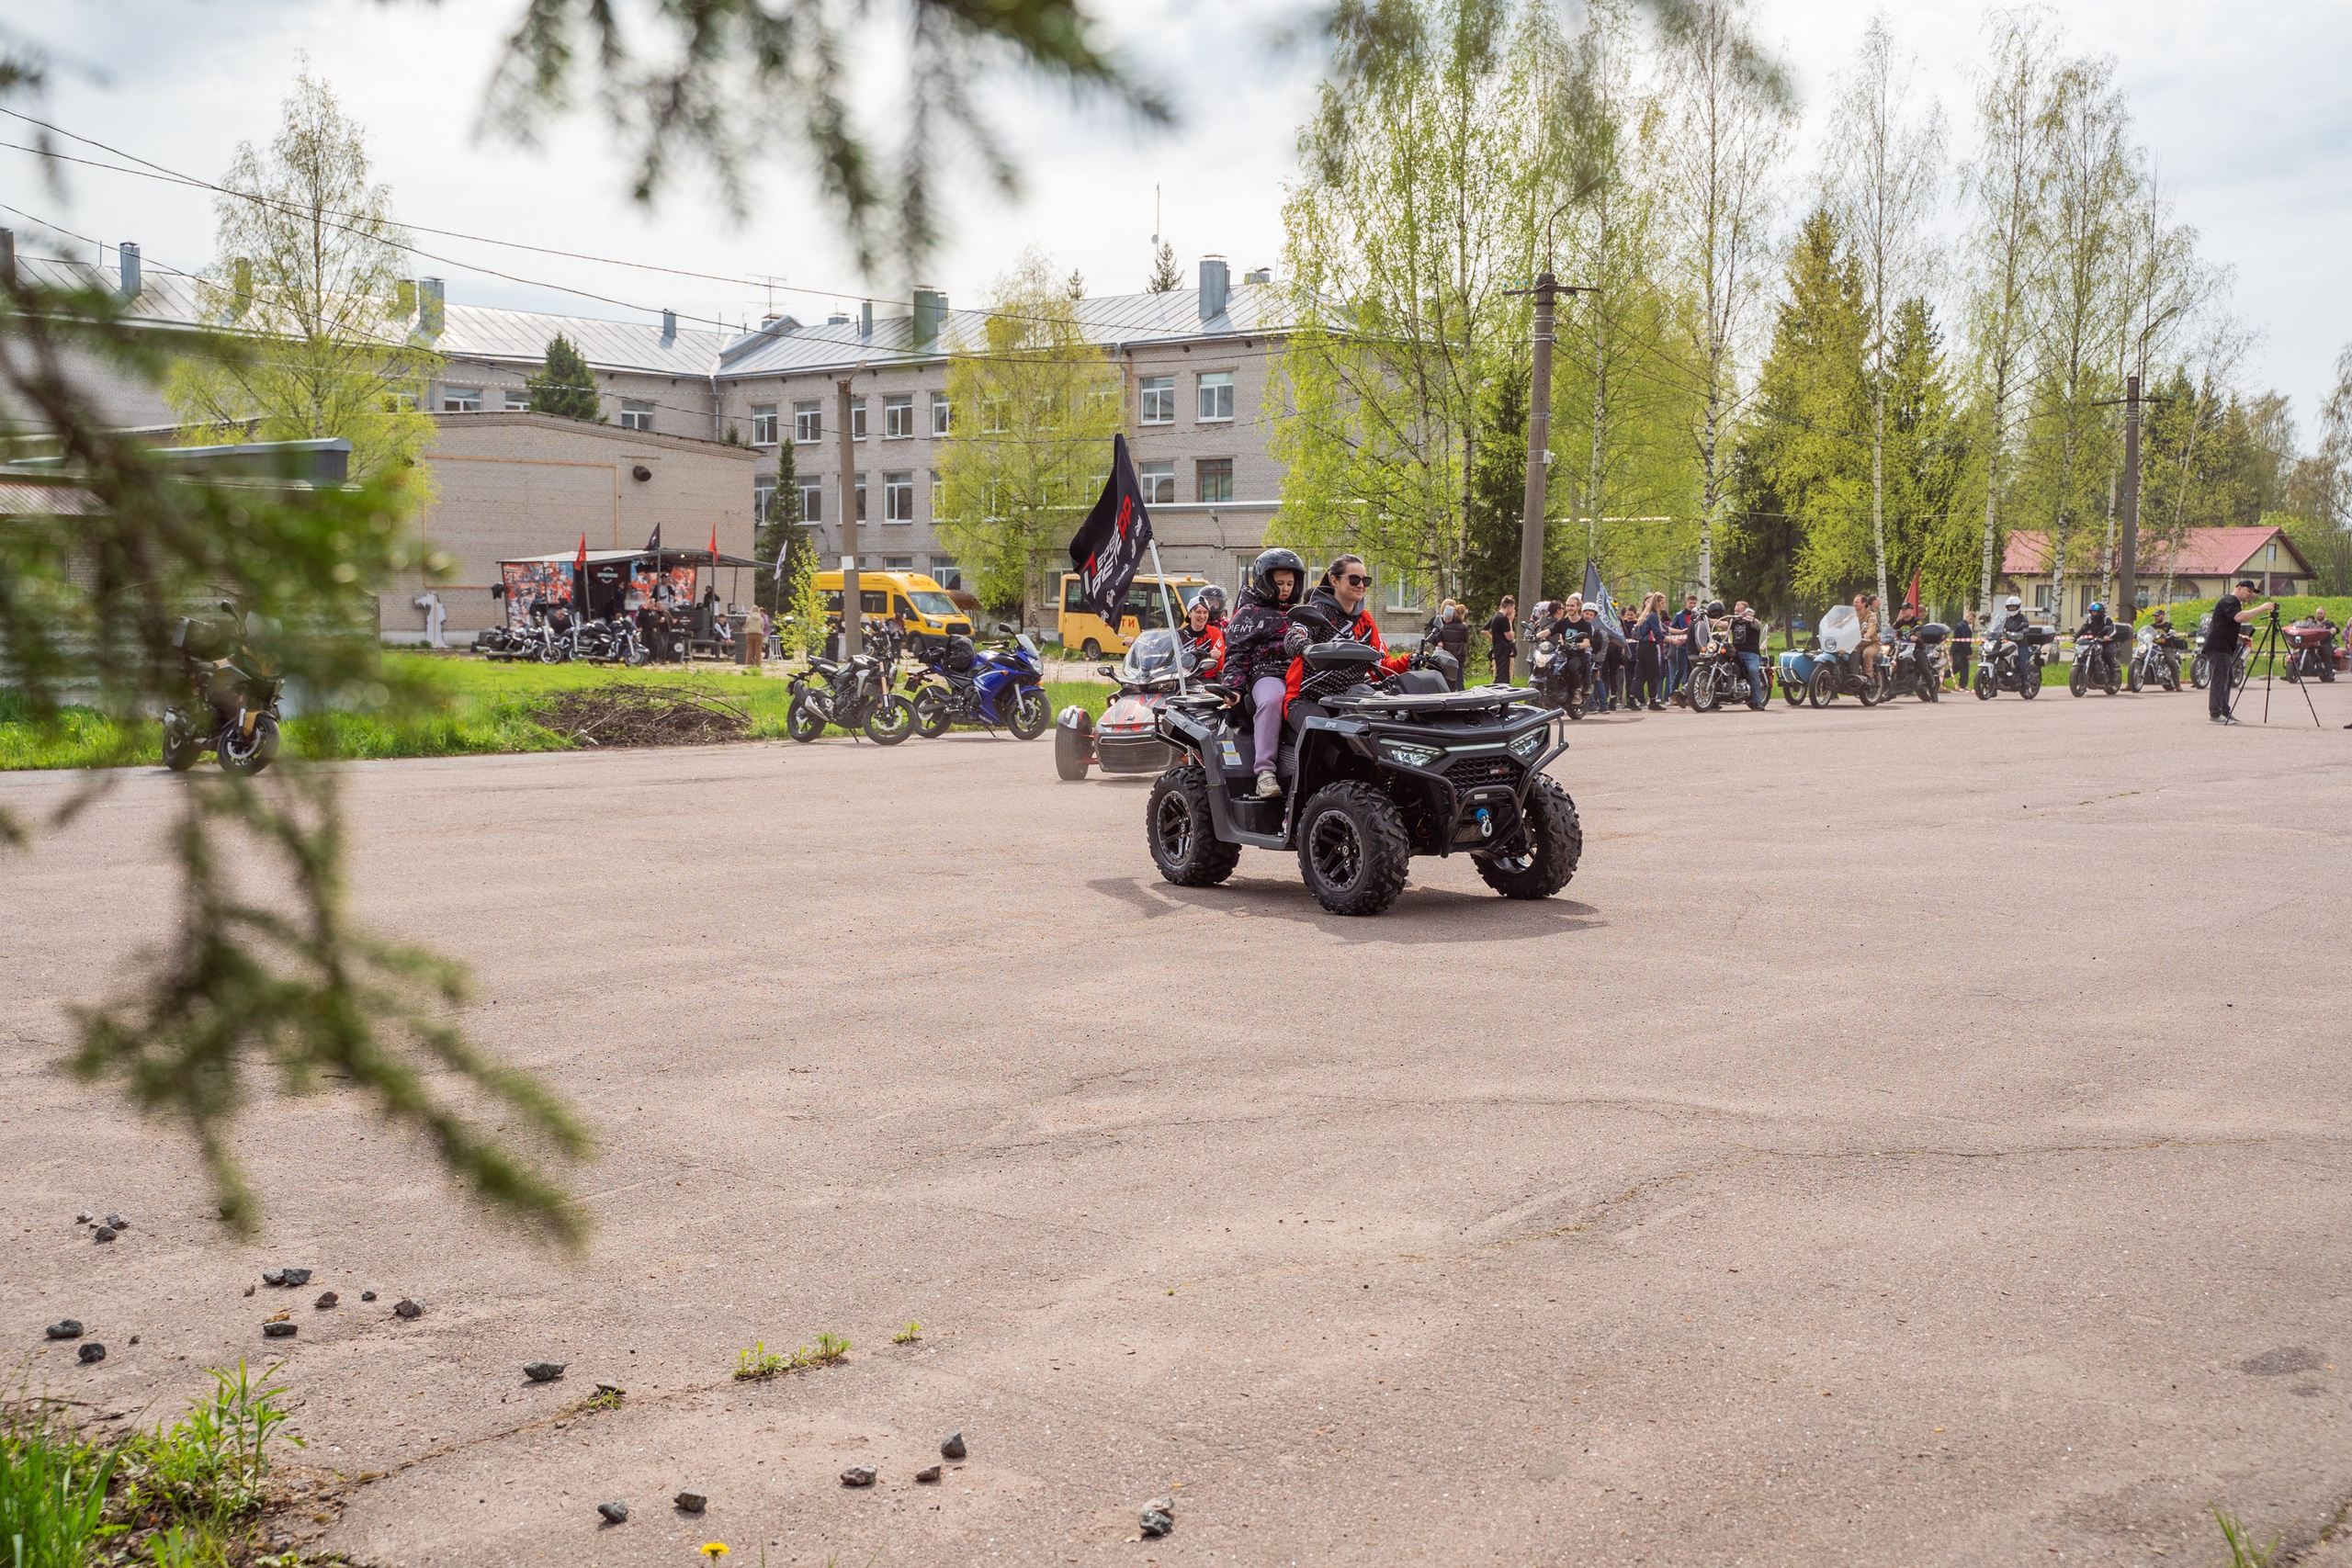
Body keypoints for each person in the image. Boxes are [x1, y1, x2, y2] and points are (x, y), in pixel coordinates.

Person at [1224, 548, 1308, 797]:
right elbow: (1236, 653)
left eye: (1290, 583)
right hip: (1266, 674)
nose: (1285, 588)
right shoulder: (1249, 614)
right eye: (1279, 583)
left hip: (1302, 675)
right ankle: (1265, 772)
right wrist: (1234, 687)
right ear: (1264, 582)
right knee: (1273, 700)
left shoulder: (1301, 613)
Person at [2205, 577, 2276, 725]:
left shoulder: (2232, 603)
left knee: (2227, 679)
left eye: (2252, 592)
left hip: (2224, 645)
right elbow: (2239, 618)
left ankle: (2224, 712)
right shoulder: (2230, 600)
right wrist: (2262, 608)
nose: (2250, 594)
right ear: (2239, 588)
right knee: (2219, 680)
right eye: (2248, 591)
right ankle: (2215, 714)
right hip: (2218, 647)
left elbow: (2222, 625)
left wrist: (2238, 637)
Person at [1633, 592, 1669, 711]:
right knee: (1653, 674)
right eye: (1662, 603)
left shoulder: (1647, 614)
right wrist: (1673, 641)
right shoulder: (1653, 616)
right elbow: (1659, 634)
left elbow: (1665, 628)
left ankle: (1631, 698)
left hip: (1642, 647)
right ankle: (1653, 701)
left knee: (1641, 674)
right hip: (1649, 647)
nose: (1663, 605)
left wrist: (1681, 632)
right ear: (1657, 603)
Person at [1727, 600, 1768, 708]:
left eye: (1738, 611)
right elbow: (1722, 624)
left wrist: (1752, 618)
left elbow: (1758, 625)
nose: (1736, 613)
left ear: (1745, 612)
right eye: (1735, 611)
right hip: (1736, 653)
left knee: (1753, 671)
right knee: (1724, 667)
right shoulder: (1733, 622)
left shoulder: (1752, 623)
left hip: (1751, 654)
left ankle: (1757, 701)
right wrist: (1706, 618)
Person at [1177, 591, 1227, 678]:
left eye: (1205, 612)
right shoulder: (1179, 633)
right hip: (1180, 678)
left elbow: (1220, 664)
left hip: (1204, 680)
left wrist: (1216, 655)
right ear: (1189, 614)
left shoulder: (1214, 633)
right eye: (1198, 612)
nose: (1202, 616)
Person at [1990, 595, 2030, 692]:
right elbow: (1997, 627)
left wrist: (2022, 633)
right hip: (2007, 642)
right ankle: (1993, 684)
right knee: (1994, 655)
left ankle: (2025, 686)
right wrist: (1991, 632)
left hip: (2020, 644)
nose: (2012, 608)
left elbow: (2026, 628)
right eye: (2010, 607)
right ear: (2007, 607)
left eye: (2014, 607)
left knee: (2021, 664)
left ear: (2018, 607)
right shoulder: (2006, 619)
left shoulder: (2023, 618)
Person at [1430, 602, 1472, 689]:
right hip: (1459, 656)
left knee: (1448, 678)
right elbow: (1465, 640)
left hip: (1446, 656)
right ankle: (1462, 695)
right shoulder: (1463, 627)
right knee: (1459, 678)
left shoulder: (1442, 626)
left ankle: (1449, 695)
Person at [1487, 596, 1517, 685]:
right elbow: (1510, 636)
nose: (1513, 611)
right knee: (1502, 676)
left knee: (1500, 673)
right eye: (1513, 608)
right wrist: (1510, 621)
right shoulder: (1503, 619)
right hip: (1504, 650)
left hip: (1498, 649)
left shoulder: (1496, 616)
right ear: (1509, 608)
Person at [1949, 612, 1974, 691]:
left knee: (1955, 668)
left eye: (1973, 620)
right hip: (1962, 651)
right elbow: (1966, 642)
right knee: (1964, 669)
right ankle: (1963, 686)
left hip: (1955, 650)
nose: (1972, 621)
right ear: (1968, 617)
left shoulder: (1959, 625)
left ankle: (1941, 677)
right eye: (1971, 619)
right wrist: (1969, 653)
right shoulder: (1965, 628)